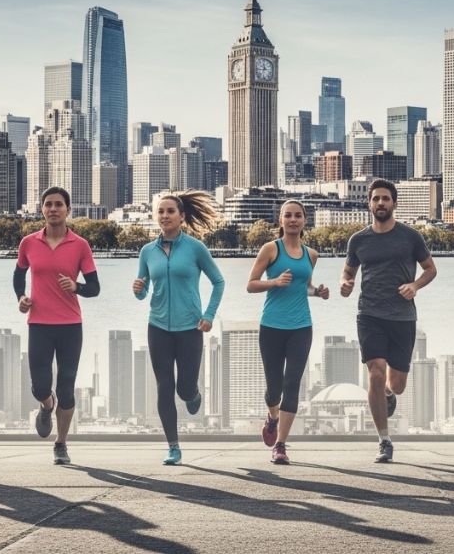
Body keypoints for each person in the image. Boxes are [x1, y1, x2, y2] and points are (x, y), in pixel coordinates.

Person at [340, 179, 437, 463]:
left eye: (385, 199)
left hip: (402, 316)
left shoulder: (410, 237)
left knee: (397, 384)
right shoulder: (358, 240)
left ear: (394, 203)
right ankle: (384, 440)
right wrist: (346, 284)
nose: (380, 203)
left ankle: (388, 394)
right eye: (375, 199)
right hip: (369, 314)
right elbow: (348, 272)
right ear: (368, 203)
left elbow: (431, 269)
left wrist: (415, 286)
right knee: (375, 371)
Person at [133, 191, 225, 465]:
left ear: (182, 216)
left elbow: (218, 282)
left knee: (184, 388)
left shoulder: (196, 248)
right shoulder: (147, 252)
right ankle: (173, 446)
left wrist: (209, 315)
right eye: (160, 211)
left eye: (170, 211)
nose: (165, 216)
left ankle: (193, 395)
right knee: (164, 386)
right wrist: (139, 289)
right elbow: (144, 289)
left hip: (190, 328)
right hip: (158, 326)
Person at [14, 187, 100, 465]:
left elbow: (95, 288)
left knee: (66, 388)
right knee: (40, 387)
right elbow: (18, 276)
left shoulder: (80, 245)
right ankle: (45, 404)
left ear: (68, 210)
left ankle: (61, 443)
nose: (53, 209)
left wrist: (77, 286)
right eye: (48, 205)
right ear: (41, 210)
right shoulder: (28, 242)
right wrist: (21, 298)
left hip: (70, 326)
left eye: (58, 205)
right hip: (38, 324)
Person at [247, 200, 329, 464]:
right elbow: (251, 285)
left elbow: (302, 287)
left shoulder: (311, 255)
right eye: (288, 216)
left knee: (293, 384)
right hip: (271, 326)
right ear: (280, 220)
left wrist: (318, 292)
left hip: (301, 327)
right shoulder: (271, 249)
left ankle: (280, 445)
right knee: (274, 388)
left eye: (298, 216)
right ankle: (272, 418)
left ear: (305, 220)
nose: (293, 220)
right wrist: (274, 282)